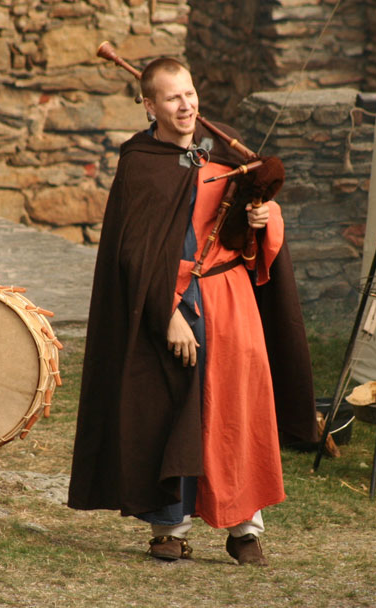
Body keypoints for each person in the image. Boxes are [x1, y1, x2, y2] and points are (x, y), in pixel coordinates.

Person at [68, 58, 317, 565]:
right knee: (172, 406)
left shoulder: (222, 150)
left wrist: (261, 218)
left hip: (230, 298)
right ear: (149, 105)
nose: (186, 106)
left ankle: (245, 527)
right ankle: (171, 526)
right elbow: (134, 252)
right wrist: (168, 314)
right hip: (175, 299)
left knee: (238, 406)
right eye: (172, 98)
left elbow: (242, 236)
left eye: (190, 94)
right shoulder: (141, 161)